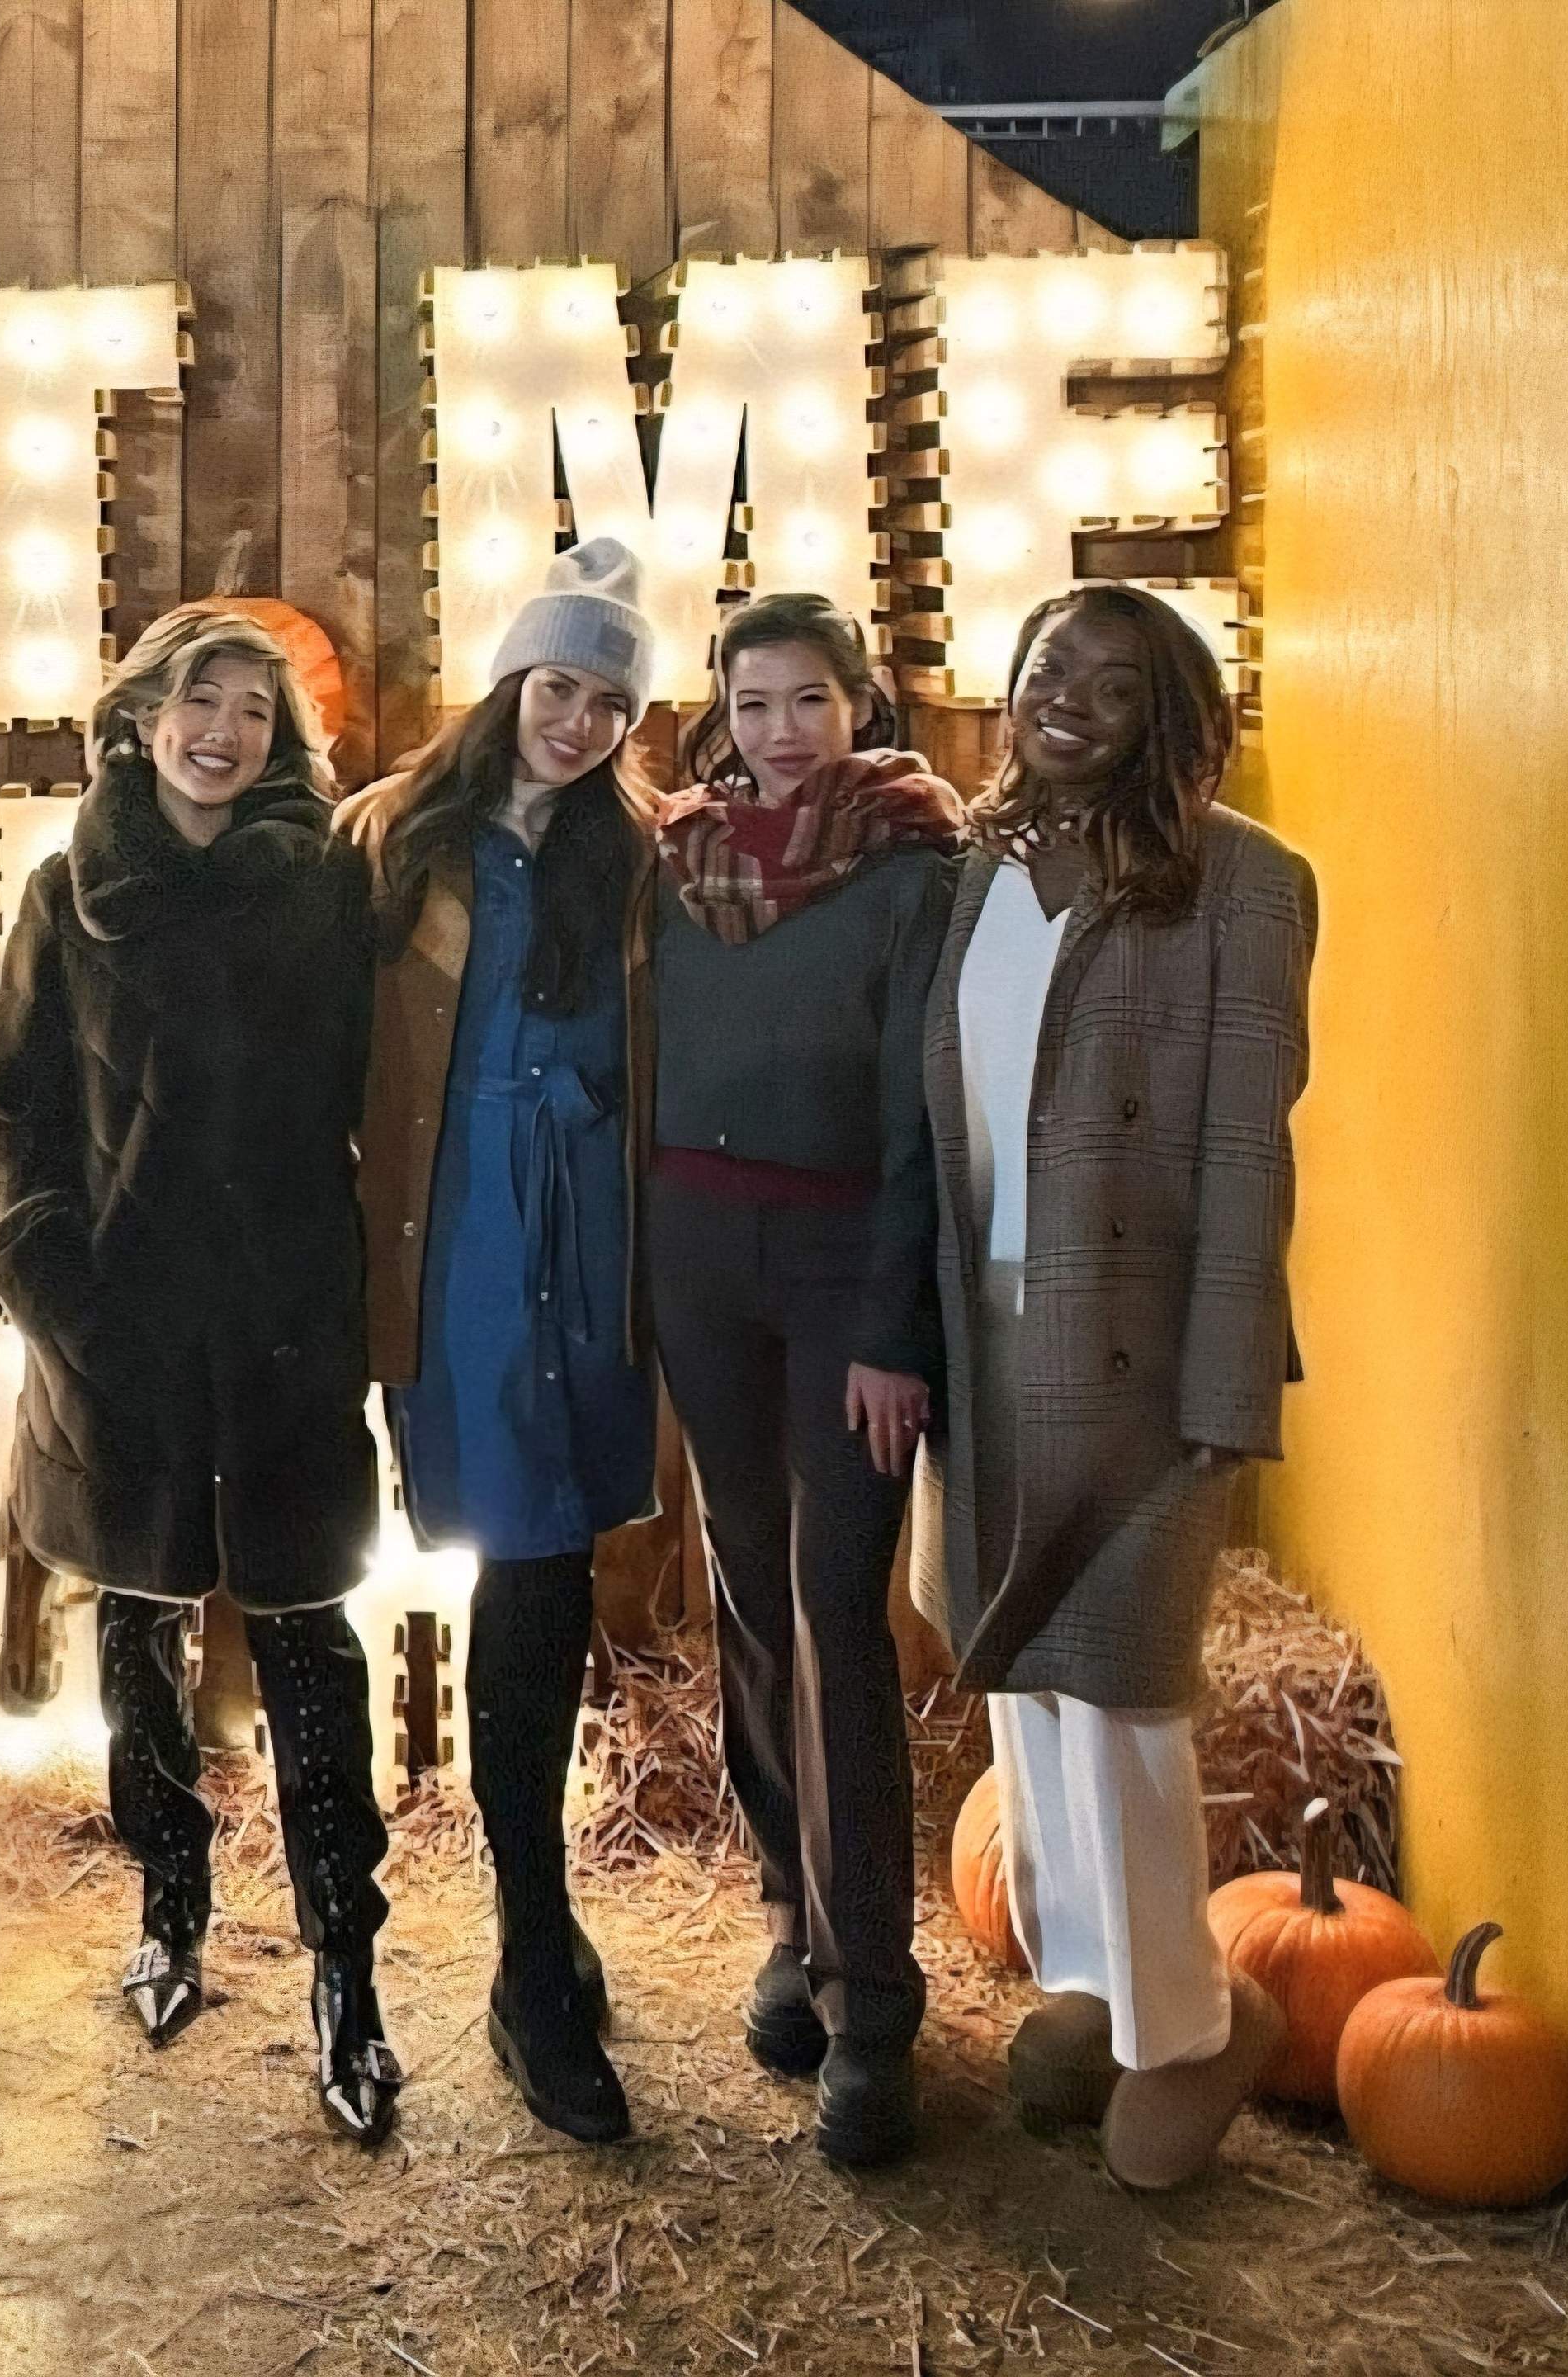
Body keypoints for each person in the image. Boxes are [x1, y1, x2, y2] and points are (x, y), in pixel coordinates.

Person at [0, 604, 402, 2146]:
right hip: (119, 1328)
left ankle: (346, 1967)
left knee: (305, 1644)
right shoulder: (64, 896)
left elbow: (383, 1088)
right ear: (142, 720)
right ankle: (170, 1902)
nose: (222, 732)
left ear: (284, 741)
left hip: (282, 1325)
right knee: (138, 1627)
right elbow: (15, 1105)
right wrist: (51, 1282)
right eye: (197, 703)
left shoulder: (324, 894)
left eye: (253, 712)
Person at [923, 581, 1314, 2190]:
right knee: (1022, 1685)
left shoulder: (1246, 886)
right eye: (1042, 668)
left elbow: (1245, 1153)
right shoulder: (978, 872)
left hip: (1145, 1364)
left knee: (1127, 1703)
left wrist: (1229, 1389)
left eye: (1109, 676)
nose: (1065, 694)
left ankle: (1196, 2024)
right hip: (988, 1344)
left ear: (1174, 709)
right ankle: (1091, 1979)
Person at [335, 537, 661, 2145]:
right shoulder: (396, 838)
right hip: (454, 1256)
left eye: (611, 701)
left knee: (556, 1584)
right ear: (511, 682)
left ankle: (543, 1927)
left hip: (590, 1271)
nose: (579, 722)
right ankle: (535, 1959)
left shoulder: (643, 863)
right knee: (518, 1580)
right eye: (559, 686)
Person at [646, 592, 959, 2167]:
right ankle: (791, 1920)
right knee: (749, 1599)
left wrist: (900, 1327)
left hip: (845, 1281)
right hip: (698, 1274)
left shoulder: (915, 863)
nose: (782, 730)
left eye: (810, 700)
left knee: (841, 1610)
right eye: (755, 702)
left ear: (859, 704)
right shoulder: (673, 864)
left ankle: (876, 2004)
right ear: (722, 712)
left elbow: (924, 1118)